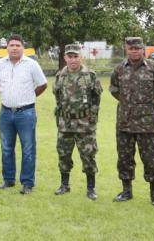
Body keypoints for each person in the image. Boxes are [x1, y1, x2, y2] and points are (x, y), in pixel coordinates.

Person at [110, 37, 154, 207]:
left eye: (138, 48)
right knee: (124, 158)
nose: (134, 51)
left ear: (143, 49)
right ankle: (126, 191)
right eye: (131, 48)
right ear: (126, 49)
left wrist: (148, 105)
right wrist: (129, 104)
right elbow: (114, 90)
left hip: (148, 122)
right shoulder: (119, 69)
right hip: (125, 121)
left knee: (150, 158)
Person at [0, 34, 47, 194]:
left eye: (17, 45)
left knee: (28, 148)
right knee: (6, 148)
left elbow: (43, 84)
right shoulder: (0, 64)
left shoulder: (31, 64)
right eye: (11, 45)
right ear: (7, 47)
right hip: (6, 113)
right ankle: (8, 180)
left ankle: (27, 183)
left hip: (26, 113)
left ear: (23, 47)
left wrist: (29, 96)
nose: (14, 48)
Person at [52, 43, 101, 200]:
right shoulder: (60, 75)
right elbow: (57, 97)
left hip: (84, 123)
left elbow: (96, 98)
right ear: (65, 57)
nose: (73, 60)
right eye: (70, 56)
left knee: (88, 155)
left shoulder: (90, 75)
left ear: (81, 57)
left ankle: (91, 188)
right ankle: (64, 185)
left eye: (76, 56)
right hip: (65, 124)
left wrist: (91, 117)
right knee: (63, 154)